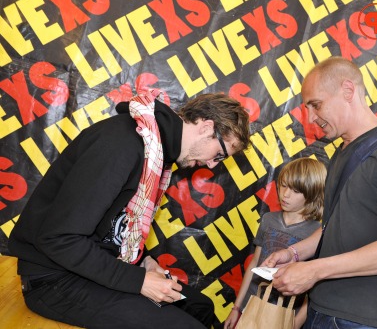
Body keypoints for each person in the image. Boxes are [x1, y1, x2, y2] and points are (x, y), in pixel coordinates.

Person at [8, 90, 251, 329]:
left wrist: (144, 261)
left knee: (200, 306)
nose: (211, 165)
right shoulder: (122, 143)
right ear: (207, 126)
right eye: (218, 155)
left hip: (91, 267)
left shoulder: (156, 152)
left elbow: (114, 224)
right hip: (54, 279)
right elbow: (58, 239)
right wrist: (139, 281)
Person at [261, 56, 377, 329]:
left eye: (316, 105)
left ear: (348, 91)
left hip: (364, 319)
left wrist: (314, 270)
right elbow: (334, 227)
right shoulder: (343, 152)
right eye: (307, 108)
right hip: (325, 308)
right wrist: (295, 253)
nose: (311, 118)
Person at [224, 157, 327, 329]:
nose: (285, 194)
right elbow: (254, 265)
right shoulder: (268, 219)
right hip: (251, 306)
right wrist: (236, 307)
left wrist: (294, 324)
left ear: (312, 193)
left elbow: (312, 292)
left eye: (295, 190)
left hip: (283, 316)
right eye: (284, 185)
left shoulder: (316, 233)